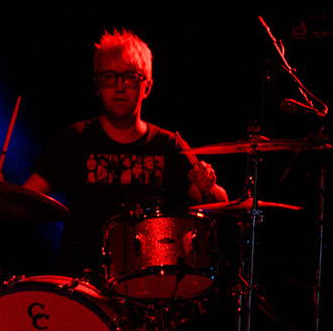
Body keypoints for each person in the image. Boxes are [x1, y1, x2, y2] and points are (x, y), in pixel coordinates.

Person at [24, 29, 227, 276]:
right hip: (78, 281)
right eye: (109, 77)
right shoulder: (75, 139)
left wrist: (207, 185)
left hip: (148, 284)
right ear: (97, 86)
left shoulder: (168, 145)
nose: (119, 87)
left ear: (147, 87)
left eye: (130, 77)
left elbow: (221, 206)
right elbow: (26, 197)